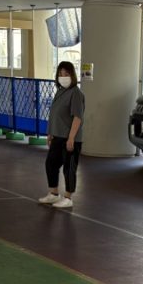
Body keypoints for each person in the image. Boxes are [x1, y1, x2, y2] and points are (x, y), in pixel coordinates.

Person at [37, 61, 84, 210]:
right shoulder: (60, 91)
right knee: (51, 163)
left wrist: (71, 138)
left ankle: (68, 197)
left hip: (70, 138)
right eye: (60, 74)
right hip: (57, 136)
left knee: (69, 169)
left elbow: (77, 117)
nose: (63, 77)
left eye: (66, 74)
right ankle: (53, 193)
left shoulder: (76, 93)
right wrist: (50, 133)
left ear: (72, 75)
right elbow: (55, 115)